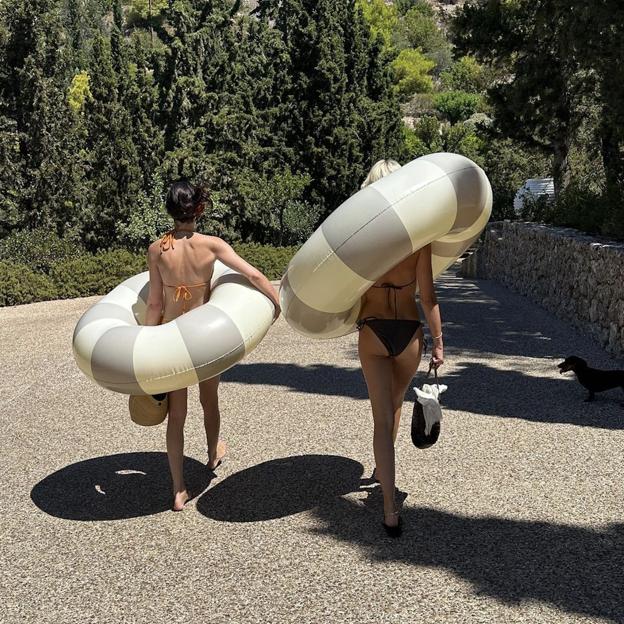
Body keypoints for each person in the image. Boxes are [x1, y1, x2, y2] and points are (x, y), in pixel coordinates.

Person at [144, 180, 281, 511]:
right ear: (198, 209)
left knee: (176, 416)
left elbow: (154, 305)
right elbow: (253, 275)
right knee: (210, 400)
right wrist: (275, 304)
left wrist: (145, 343)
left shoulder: (156, 249)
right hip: (204, 339)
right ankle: (211, 453)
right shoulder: (212, 245)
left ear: (169, 210)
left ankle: (178, 490)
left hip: (174, 339)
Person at [357, 159, 444, 537]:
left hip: (373, 331)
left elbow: (344, 292)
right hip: (409, 334)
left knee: (382, 418)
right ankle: (381, 473)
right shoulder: (417, 240)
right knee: (394, 404)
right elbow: (428, 297)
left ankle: (390, 510)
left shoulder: (360, 238)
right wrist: (439, 343)